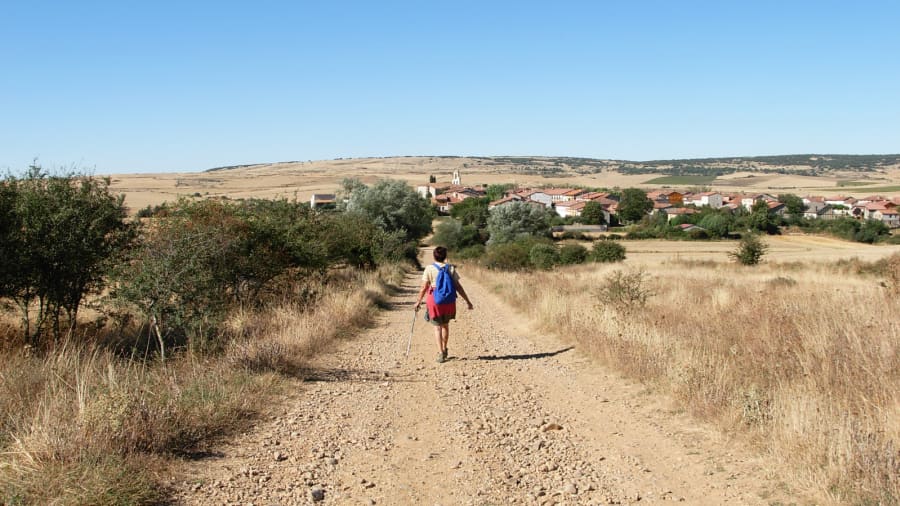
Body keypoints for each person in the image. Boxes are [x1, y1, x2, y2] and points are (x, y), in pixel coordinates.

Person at [414, 246, 474, 363]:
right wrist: (467, 301)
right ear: (445, 256)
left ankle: (441, 353)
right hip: (448, 301)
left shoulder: (429, 268)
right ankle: (445, 348)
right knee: (445, 325)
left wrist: (418, 301)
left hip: (434, 300)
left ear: (434, 256)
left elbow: (423, 287)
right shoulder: (450, 268)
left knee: (437, 328)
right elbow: (458, 287)